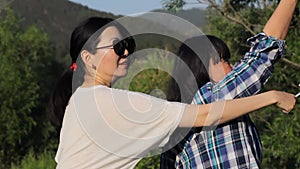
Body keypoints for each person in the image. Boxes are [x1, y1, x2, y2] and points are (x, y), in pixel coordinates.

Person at [48, 16, 296, 169]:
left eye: (129, 46)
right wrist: (272, 96)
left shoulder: (77, 103)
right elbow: (205, 115)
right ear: (88, 58)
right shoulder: (110, 103)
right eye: (118, 46)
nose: (126, 53)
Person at [160, 0, 299, 168]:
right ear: (202, 66)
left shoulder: (174, 127)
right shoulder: (210, 97)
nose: (232, 67)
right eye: (224, 60)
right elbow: (264, 52)